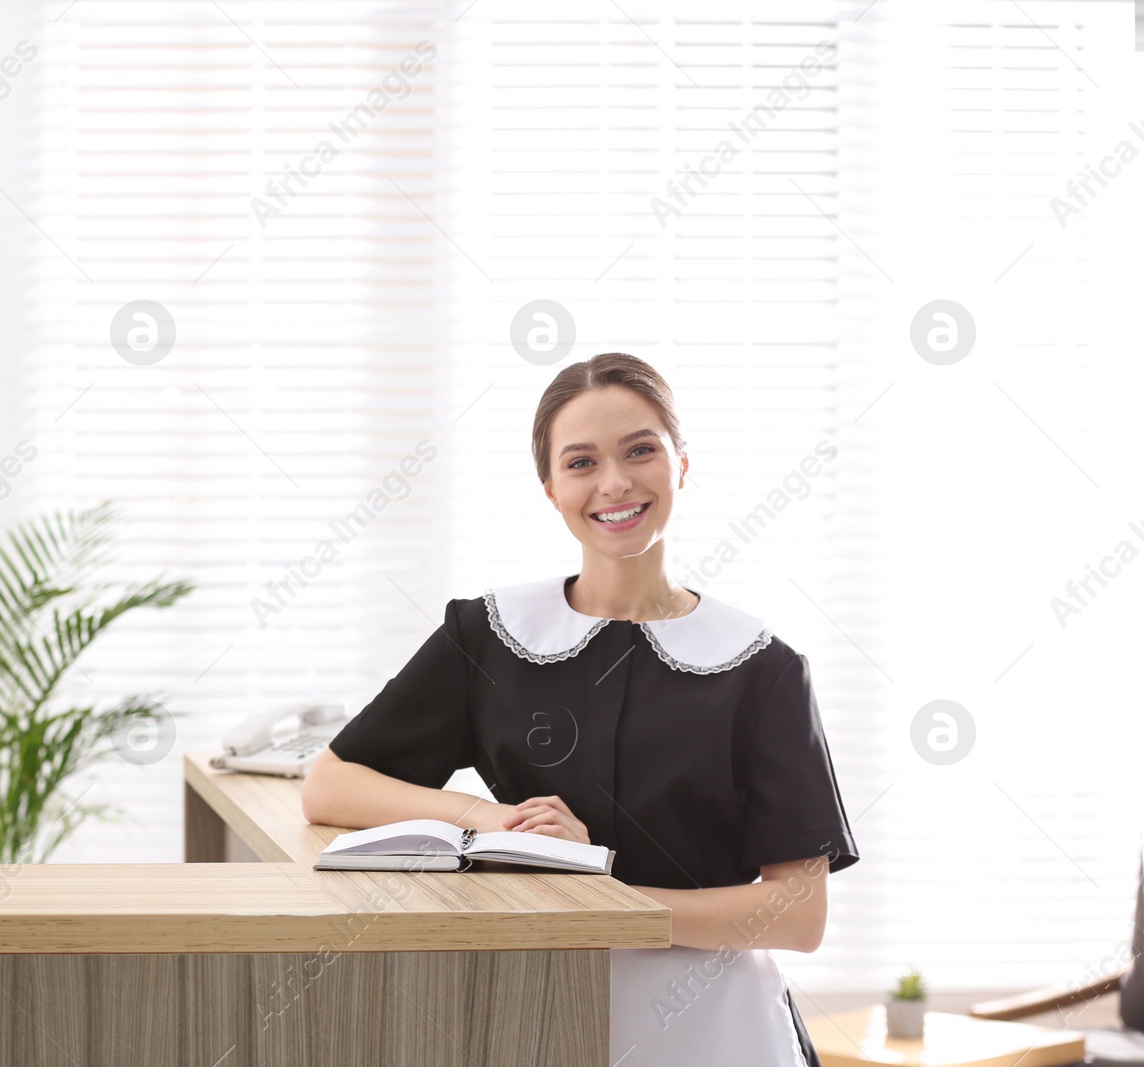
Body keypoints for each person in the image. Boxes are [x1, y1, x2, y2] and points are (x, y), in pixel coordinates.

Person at [301, 351, 859, 1067]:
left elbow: (801, 912)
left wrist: (603, 885)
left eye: (640, 450)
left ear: (681, 463)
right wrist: (497, 820)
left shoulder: (761, 665)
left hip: (718, 1029)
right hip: (540, 1010)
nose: (615, 483)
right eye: (581, 462)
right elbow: (332, 783)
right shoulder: (490, 634)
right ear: (551, 488)